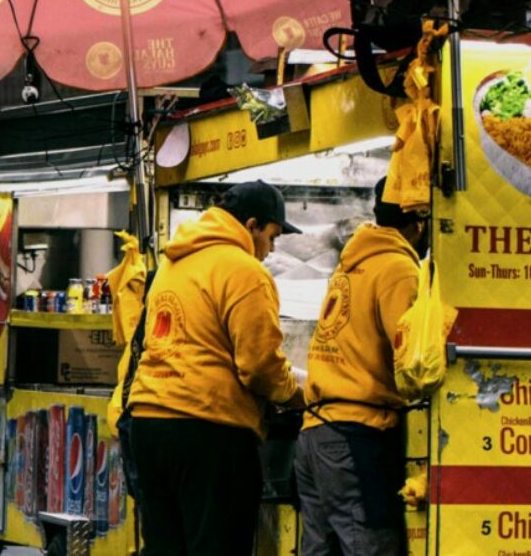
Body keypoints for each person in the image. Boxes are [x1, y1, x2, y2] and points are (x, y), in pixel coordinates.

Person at [126, 180, 305, 556]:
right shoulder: (244, 271)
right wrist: (293, 394)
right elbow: (258, 366)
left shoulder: (174, 261)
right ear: (252, 224)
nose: (270, 250)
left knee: (165, 549)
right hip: (208, 431)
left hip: (148, 426)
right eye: (271, 237)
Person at [295, 177, 428, 556]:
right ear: (418, 224)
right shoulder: (398, 268)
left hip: (315, 433)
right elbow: (412, 358)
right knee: (371, 548)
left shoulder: (352, 263)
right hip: (355, 435)